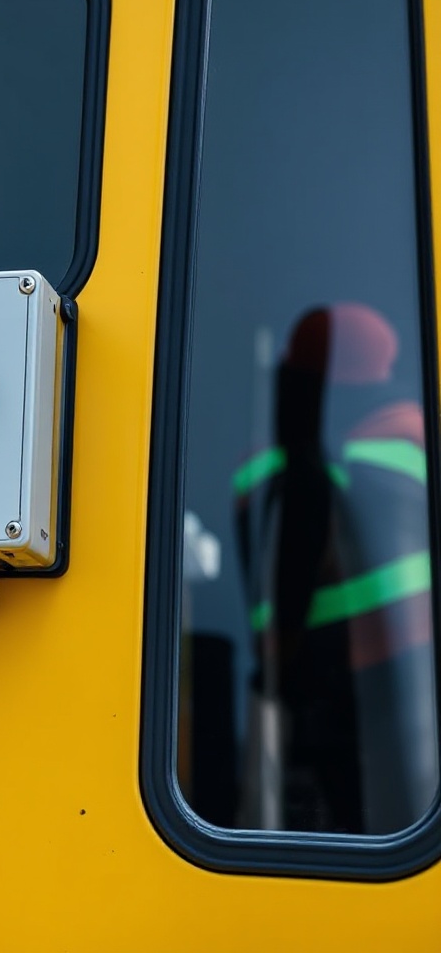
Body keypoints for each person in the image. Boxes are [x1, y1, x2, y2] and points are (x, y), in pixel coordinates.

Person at [233, 303, 436, 833]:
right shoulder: (406, 434)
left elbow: (307, 508)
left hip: (387, 678)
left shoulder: (388, 441)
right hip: (320, 683)